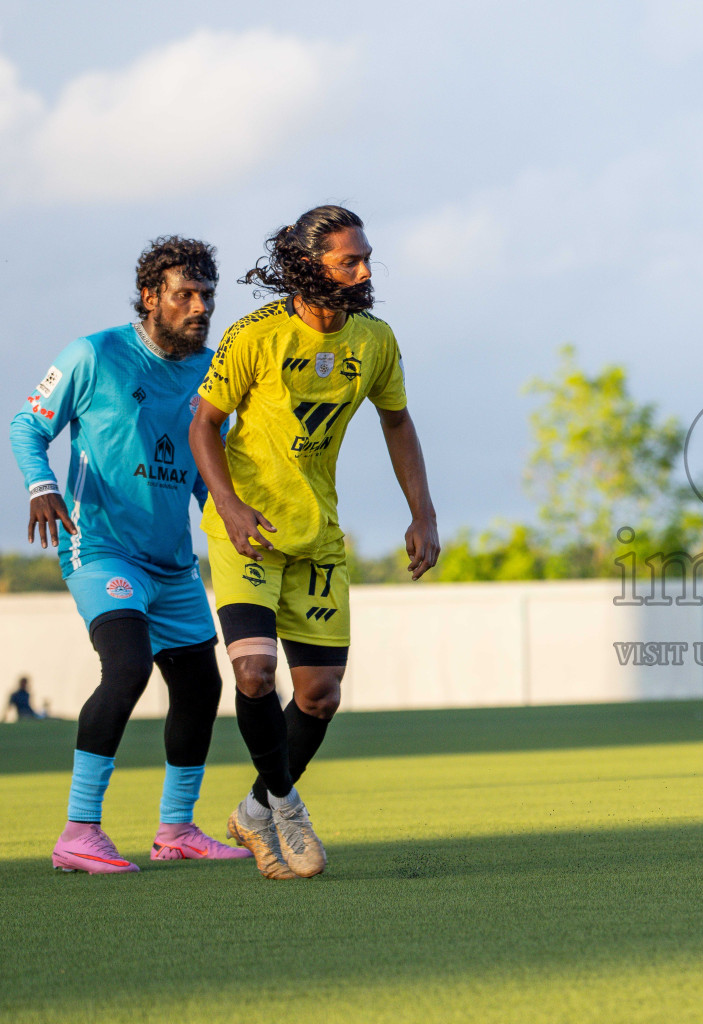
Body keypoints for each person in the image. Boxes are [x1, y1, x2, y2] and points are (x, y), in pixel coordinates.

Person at [189, 205, 440, 880]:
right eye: (348, 261)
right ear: (308, 268)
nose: (363, 272)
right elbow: (204, 425)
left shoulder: (376, 341)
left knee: (321, 696)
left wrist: (423, 513)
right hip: (248, 534)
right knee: (252, 672)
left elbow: (398, 422)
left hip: (317, 538)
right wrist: (231, 506)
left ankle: (254, 809)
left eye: (365, 258)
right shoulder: (255, 337)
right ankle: (287, 806)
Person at [8, 237, 251, 872]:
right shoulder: (94, 353)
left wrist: (231, 515)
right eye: (185, 295)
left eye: (207, 296)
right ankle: (78, 833)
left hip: (171, 562)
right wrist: (42, 485)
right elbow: (27, 424)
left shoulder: (208, 370)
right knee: (127, 668)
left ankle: (177, 831)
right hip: (101, 547)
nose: (200, 307)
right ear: (151, 297)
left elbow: (204, 468)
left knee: (200, 685)